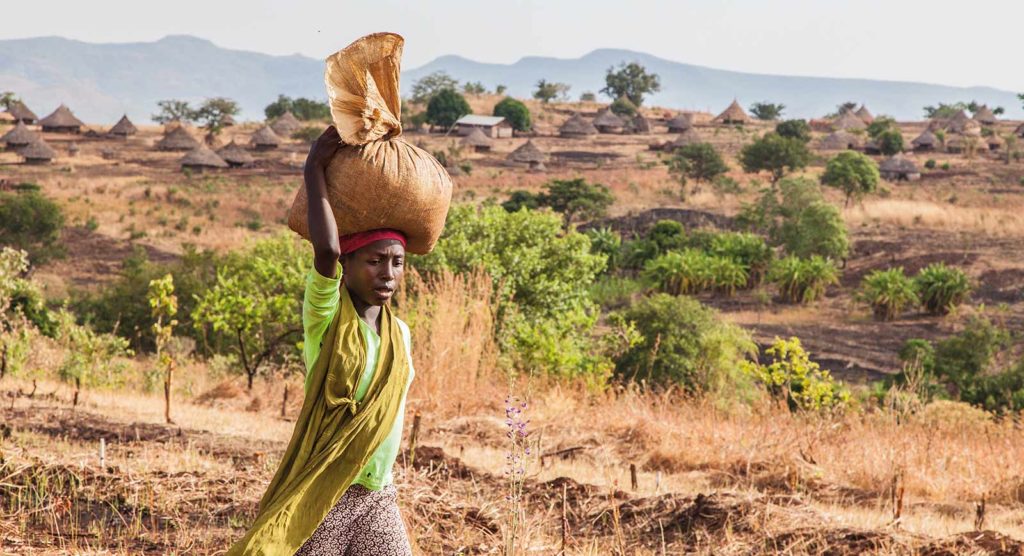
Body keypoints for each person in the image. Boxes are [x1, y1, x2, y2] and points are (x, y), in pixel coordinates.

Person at [227, 126, 415, 555]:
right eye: (374, 261)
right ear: (346, 265)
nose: (387, 273)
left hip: (378, 495)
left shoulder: (399, 335)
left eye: (397, 262)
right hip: (325, 490)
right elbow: (325, 250)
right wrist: (314, 166)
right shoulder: (325, 318)